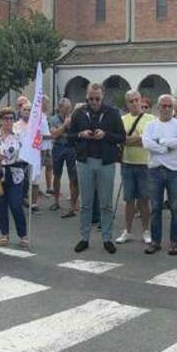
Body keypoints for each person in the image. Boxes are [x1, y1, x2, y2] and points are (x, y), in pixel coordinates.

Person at [69, 83, 125, 254]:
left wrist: (106, 135)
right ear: (87, 96)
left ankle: (107, 238)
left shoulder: (113, 113)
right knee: (86, 203)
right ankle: (84, 238)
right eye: (91, 98)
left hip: (105, 163)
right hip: (85, 162)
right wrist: (80, 134)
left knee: (106, 204)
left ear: (103, 96)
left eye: (97, 98)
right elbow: (69, 138)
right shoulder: (78, 113)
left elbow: (122, 136)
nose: (94, 102)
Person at [142, 94, 177, 255]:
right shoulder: (150, 125)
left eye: (169, 106)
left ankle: (174, 242)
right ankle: (155, 241)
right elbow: (146, 143)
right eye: (163, 105)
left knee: (176, 209)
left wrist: (160, 141)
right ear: (158, 107)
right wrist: (166, 146)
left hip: (175, 171)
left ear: (173, 108)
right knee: (155, 208)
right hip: (155, 170)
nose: (166, 108)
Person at [0, 106, 29, 248]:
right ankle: (4, 233)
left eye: (11, 119)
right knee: (1, 204)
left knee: (15, 204)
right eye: (5, 119)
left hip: (15, 172)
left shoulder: (19, 135)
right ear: (1, 120)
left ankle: (23, 234)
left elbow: (26, 153)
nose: (8, 122)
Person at [117, 90, 154, 245]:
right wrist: (137, 139)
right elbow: (120, 139)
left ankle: (146, 230)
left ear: (141, 100)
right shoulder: (122, 119)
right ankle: (128, 231)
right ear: (127, 103)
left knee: (144, 200)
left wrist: (131, 139)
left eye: (137, 100)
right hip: (127, 162)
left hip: (145, 164)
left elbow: (148, 140)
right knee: (129, 200)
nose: (135, 103)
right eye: (131, 101)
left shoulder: (151, 119)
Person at [49, 98, 78, 218]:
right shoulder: (53, 119)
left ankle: (73, 204)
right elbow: (54, 134)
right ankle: (56, 201)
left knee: (73, 176)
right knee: (57, 174)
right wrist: (65, 125)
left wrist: (63, 131)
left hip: (71, 148)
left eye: (69, 108)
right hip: (59, 147)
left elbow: (75, 133)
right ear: (60, 108)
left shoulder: (73, 118)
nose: (68, 110)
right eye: (66, 108)